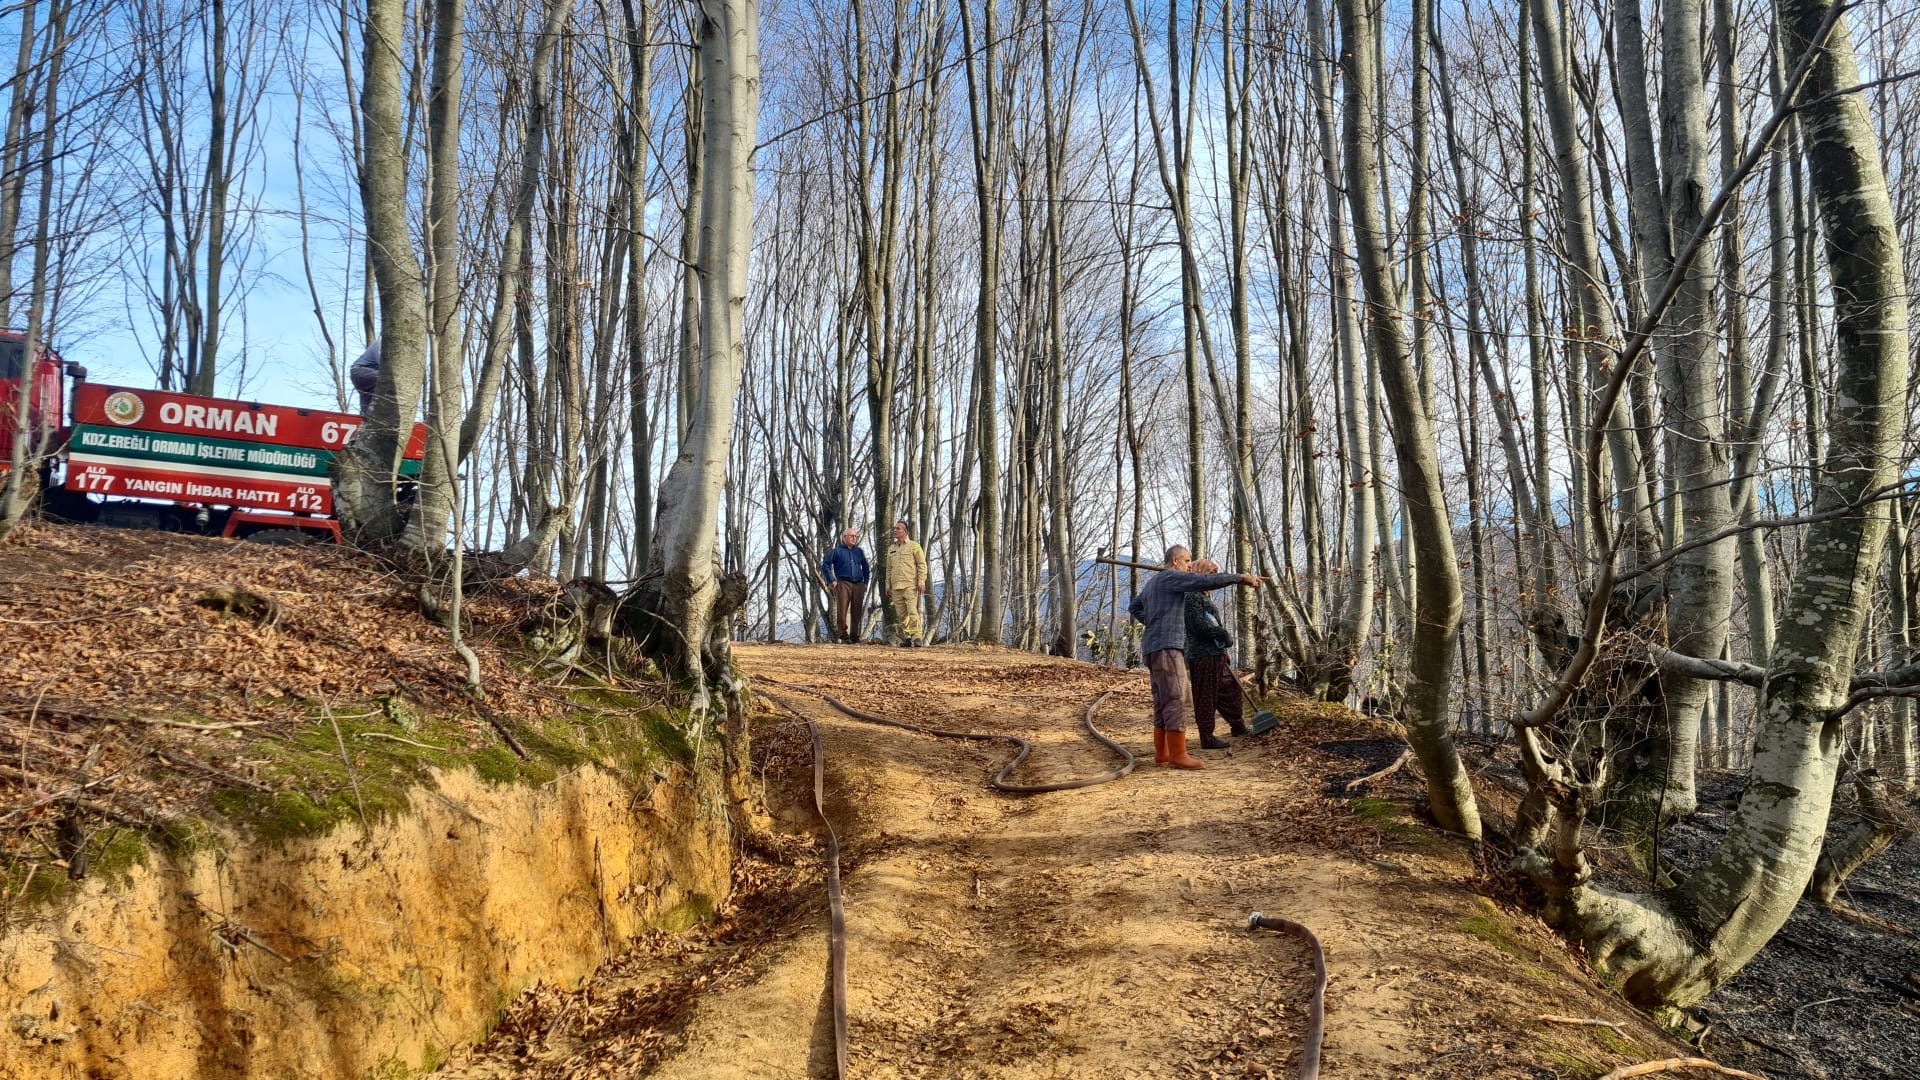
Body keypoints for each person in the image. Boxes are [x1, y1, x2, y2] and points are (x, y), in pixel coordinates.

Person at [1127, 546, 1262, 770]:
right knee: (1175, 698)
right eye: (1187, 560)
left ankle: (1163, 754)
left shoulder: (1154, 582)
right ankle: (1178, 755)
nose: (1189, 565)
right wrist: (1241, 578)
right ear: (1174, 561)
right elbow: (1205, 582)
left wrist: (1153, 621)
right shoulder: (1171, 577)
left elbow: (1134, 606)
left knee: (1162, 701)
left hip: (1153, 647)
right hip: (1167, 648)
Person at [1184, 559, 1250, 749]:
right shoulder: (1193, 596)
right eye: (1211, 573)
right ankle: (1207, 736)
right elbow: (1197, 624)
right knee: (1206, 695)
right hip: (1202, 655)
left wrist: (1222, 644)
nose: (1214, 577)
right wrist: (1221, 634)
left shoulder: (1204, 596)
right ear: (1202, 575)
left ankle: (1237, 725)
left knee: (1230, 688)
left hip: (1216, 653)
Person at [820, 528, 871, 643]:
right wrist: (832, 580)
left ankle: (854, 635)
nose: (854, 538)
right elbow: (825, 565)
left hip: (859, 584)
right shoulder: (837, 551)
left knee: (857, 611)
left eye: (855, 536)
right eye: (851, 536)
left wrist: (866, 583)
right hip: (843, 583)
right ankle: (843, 634)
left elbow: (866, 567)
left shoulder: (859, 551)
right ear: (844, 537)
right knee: (842, 610)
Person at [885, 519, 929, 646]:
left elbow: (922, 565)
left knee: (912, 611)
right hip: (896, 587)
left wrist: (921, 582)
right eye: (895, 528)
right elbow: (888, 569)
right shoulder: (891, 549)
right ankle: (908, 638)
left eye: (898, 528)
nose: (895, 530)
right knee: (902, 615)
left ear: (905, 531)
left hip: (910, 585)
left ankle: (917, 637)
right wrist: (888, 585)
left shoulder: (914, 546)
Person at [349, 337, 382, 414]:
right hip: (359, 371)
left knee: (367, 408)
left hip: (367, 377)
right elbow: (385, 366)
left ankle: (365, 416)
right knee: (387, 378)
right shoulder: (380, 344)